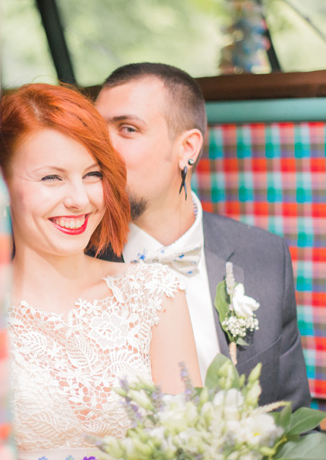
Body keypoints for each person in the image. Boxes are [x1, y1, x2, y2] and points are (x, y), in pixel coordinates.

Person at [0, 83, 201, 460]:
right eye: (51, 178)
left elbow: (192, 447)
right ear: (1, 185)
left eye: (92, 175)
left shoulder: (154, 293)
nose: (80, 199)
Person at [94, 62, 311, 409]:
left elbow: (290, 417)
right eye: (94, 130)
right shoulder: (73, 259)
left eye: (128, 129)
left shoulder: (264, 256)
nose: (100, 148)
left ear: (188, 148)